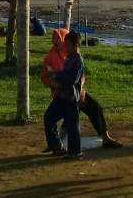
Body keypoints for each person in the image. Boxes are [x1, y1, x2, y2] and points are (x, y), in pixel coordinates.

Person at [41, 28, 122, 151]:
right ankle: (59, 144)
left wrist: (81, 89)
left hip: (74, 93)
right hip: (62, 93)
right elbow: (45, 78)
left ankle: (103, 138)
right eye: (53, 38)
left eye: (58, 38)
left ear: (66, 40)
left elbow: (80, 75)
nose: (55, 41)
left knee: (94, 109)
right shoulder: (50, 57)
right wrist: (55, 85)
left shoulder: (73, 56)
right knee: (66, 117)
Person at [44, 30, 85, 159]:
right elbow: (65, 76)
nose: (65, 47)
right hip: (62, 96)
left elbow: (70, 79)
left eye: (67, 45)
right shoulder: (69, 58)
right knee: (49, 117)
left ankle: (75, 152)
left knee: (73, 127)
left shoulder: (78, 61)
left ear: (76, 45)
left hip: (71, 99)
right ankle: (57, 146)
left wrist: (55, 74)